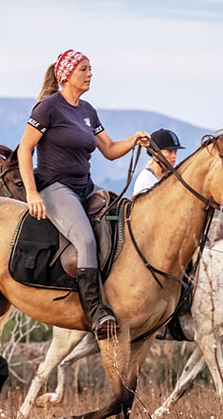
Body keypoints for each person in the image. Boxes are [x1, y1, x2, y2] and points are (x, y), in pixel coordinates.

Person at [18, 49, 151, 339]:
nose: (90, 74)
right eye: (84, 69)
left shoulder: (88, 110)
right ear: (66, 75)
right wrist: (32, 193)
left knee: (123, 214)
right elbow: (24, 149)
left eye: (90, 69)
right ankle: (96, 311)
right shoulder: (48, 108)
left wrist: (134, 140)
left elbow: (110, 150)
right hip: (55, 186)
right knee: (86, 240)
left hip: (85, 186)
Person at [132, 128, 184, 195]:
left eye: (175, 152)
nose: (174, 156)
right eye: (169, 152)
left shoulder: (169, 178)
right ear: (155, 153)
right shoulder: (146, 180)